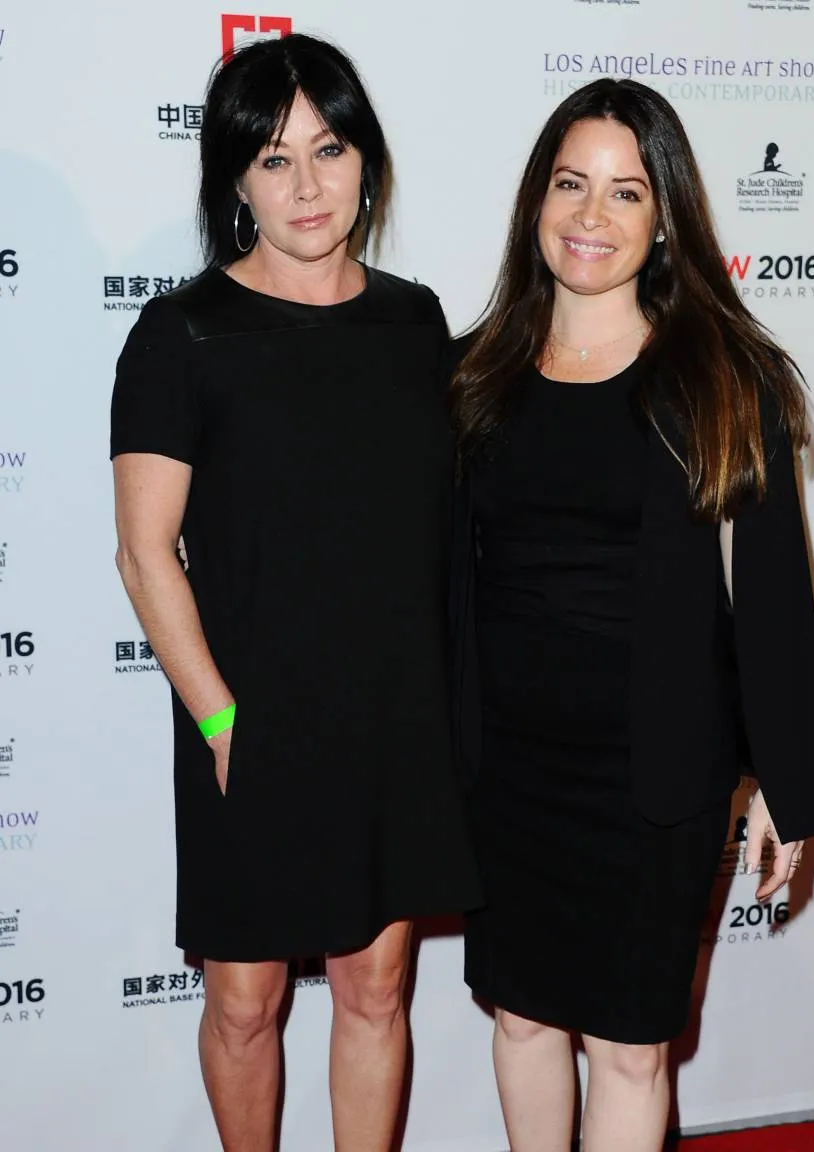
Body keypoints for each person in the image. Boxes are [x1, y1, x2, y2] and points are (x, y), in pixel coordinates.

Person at [449, 79, 814, 1152]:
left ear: (664, 217)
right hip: (505, 774)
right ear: (536, 202)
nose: (591, 215)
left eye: (625, 192)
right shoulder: (474, 374)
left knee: (630, 1048)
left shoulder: (721, 379)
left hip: (657, 783)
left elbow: (768, 593)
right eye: (570, 184)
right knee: (522, 1019)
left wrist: (782, 781)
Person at [110, 33, 481, 1152]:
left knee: (375, 989)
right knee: (245, 1001)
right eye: (273, 159)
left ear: (366, 160)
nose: (307, 185)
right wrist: (219, 719)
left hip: (393, 715)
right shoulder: (182, 334)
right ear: (236, 180)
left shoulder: (416, 324)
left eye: (329, 149)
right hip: (252, 718)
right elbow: (144, 553)